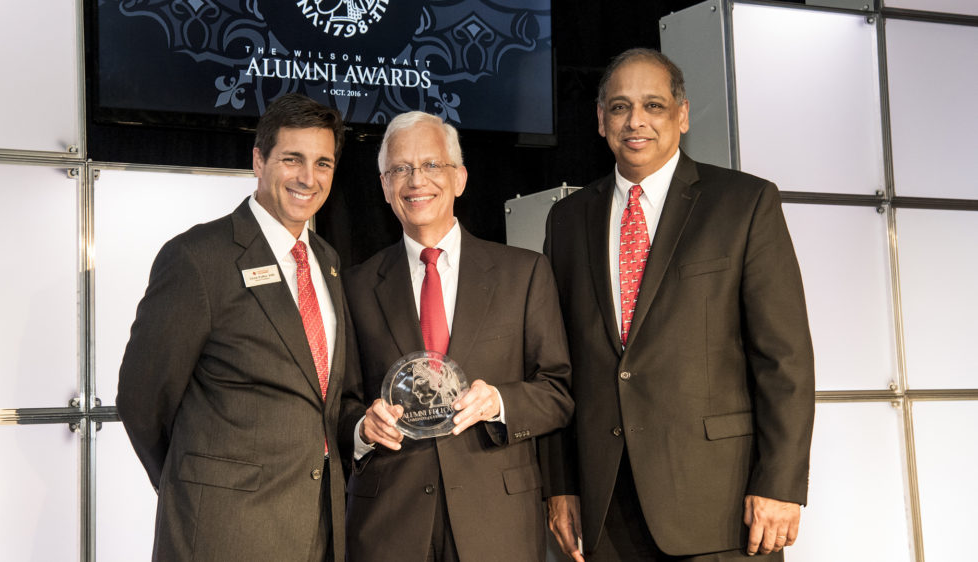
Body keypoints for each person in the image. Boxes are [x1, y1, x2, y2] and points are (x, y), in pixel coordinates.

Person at [541, 48, 815, 561]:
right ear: (600, 120)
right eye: (619, 107)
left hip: (721, 505)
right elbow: (556, 367)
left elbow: (785, 359)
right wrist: (560, 484)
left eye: (654, 105)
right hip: (605, 509)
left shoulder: (744, 203)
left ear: (682, 115)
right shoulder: (567, 220)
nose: (635, 121)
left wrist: (780, 483)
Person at [116, 93, 351, 561]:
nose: (309, 177)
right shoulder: (198, 258)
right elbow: (142, 399)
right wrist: (195, 480)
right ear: (259, 161)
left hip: (319, 526)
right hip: (224, 530)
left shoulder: (327, 261)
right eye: (292, 159)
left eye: (323, 163)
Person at [338, 111, 574, 561]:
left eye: (431, 165)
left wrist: (499, 402)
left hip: (496, 521)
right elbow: (340, 404)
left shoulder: (522, 274)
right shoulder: (354, 286)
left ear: (460, 178)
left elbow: (557, 391)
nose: (415, 180)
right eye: (399, 169)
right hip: (389, 524)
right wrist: (362, 429)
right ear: (385, 187)